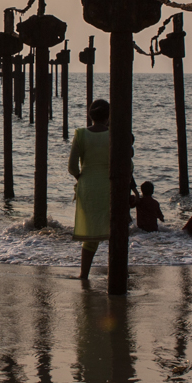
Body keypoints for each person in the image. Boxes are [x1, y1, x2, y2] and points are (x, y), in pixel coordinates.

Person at [69, 100, 113, 280]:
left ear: (90, 116)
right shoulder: (113, 135)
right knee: (113, 230)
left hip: (87, 186)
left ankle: (84, 274)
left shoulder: (80, 134)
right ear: (109, 116)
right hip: (109, 186)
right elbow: (127, 164)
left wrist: (80, 177)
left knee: (90, 235)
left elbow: (72, 166)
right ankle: (117, 272)